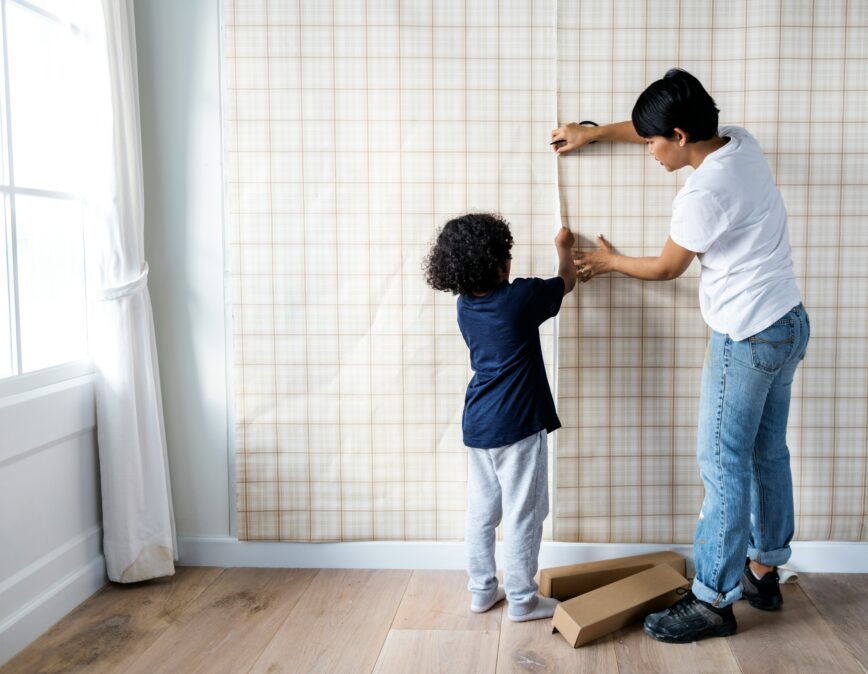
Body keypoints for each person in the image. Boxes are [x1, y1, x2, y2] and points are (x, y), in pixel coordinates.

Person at [551, 68, 810, 643]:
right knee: (767, 451)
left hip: (745, 336)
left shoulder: (703, 193)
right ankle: (764, 569)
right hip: (788, 322)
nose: (649, 152)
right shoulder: (738, 142)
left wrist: (609, 262)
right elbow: (661, 125)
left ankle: (715, 601)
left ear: (681, 134)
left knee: (722, 464)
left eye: (652, 143)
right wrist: (593, 134)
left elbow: (669, 267)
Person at [423, 213, 577, 621]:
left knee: (482, 512)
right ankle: (523, 600)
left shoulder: (464, 306)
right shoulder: (520, 299)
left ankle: (482, 591)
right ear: (500, 263)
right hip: (518, 425)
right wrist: (563, 249)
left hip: (479, 424)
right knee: (525, 513)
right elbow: (567, 280)